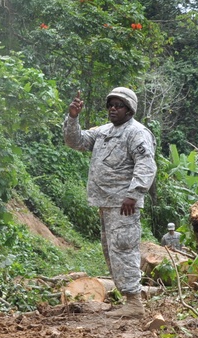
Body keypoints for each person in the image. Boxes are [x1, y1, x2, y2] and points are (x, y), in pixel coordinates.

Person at [63, 87, 157, 318]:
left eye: (119, 105)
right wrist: (73, 117)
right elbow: (76, 141)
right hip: (106, 203)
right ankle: (129, 300)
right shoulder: (103, 131)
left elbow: (146, 165)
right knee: (111, 251)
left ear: (129, 110)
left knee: (124, 248)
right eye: (110, 105)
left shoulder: (137, 132)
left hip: (124, 204)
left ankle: (134, 303)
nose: (113, 109)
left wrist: (133, 194)